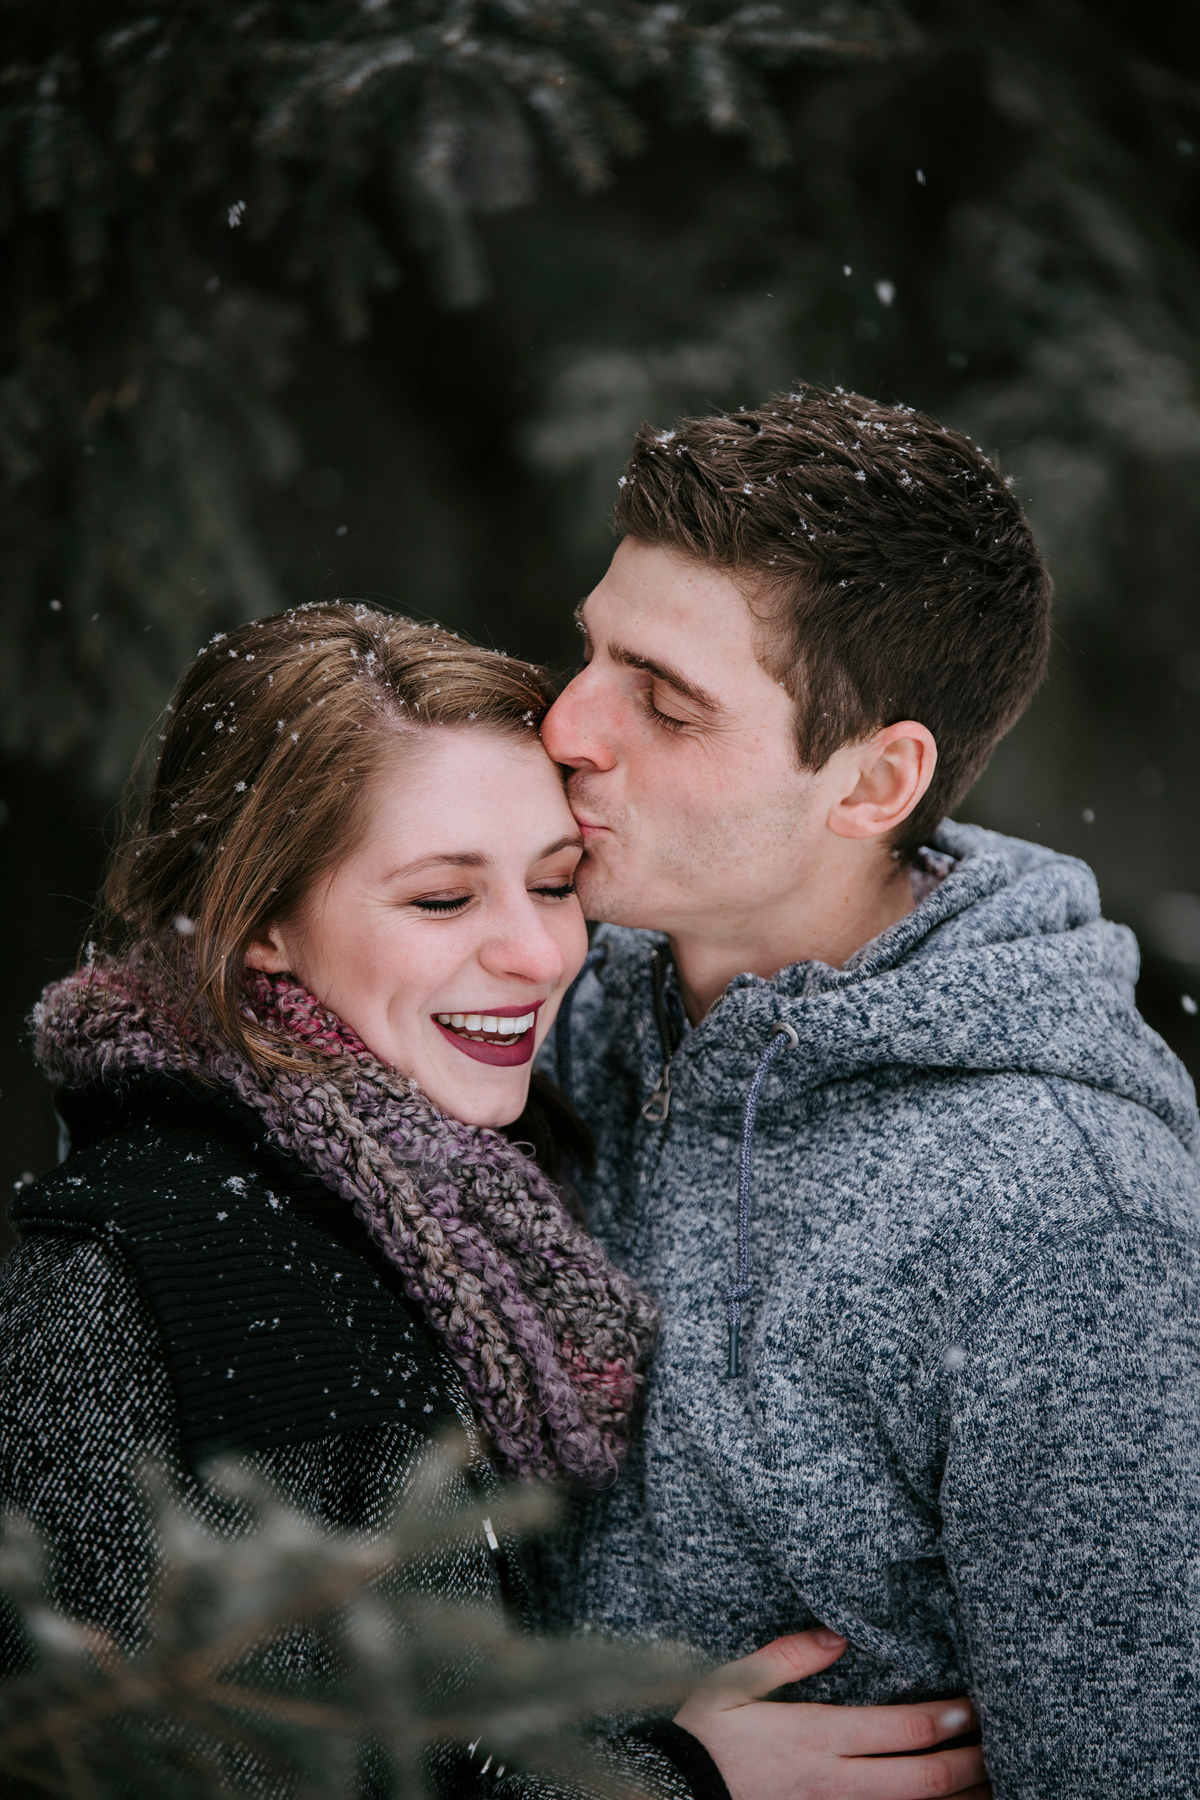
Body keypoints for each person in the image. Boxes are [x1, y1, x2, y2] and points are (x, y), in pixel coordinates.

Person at [1, 602, 987, 1800]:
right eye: (441, 899)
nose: (538, 953)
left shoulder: (461, 1221)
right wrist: (661, 1781)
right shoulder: (125, 1282)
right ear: (258, 922)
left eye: (556, 881)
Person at [537, 386, 1200, 1799]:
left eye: (666, 701)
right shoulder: (556, 1023)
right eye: (591, 652)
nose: (569, 724)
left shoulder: (1066, 1215)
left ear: (874, 780)